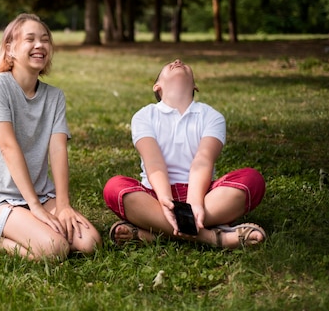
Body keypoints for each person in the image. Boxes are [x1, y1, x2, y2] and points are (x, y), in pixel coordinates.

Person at [0, 13, 102, 260]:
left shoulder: (54, 97)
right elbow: (8, 147)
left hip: (40, 193)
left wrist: (63, 205)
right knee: (54, 249)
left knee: (90, 243)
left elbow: (57, 151)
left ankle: (32, 219)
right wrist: (34, 208)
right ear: (10, 49)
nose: (39, 45)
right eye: (30, 39)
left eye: (45, 40)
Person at [103, 59, 266, 249]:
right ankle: (214, 238)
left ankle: (156, 232)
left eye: (184, 64)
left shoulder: (211, 116)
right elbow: (154, 162)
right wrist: (165, 200)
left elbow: (203, 161)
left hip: (204, 197)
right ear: (157, 87)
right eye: (168, 65)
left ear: (195, 87)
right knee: (114, 188)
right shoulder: (144, 116)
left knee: (252, 180)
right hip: (155, 198)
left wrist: (194, 204)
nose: (177, 61)